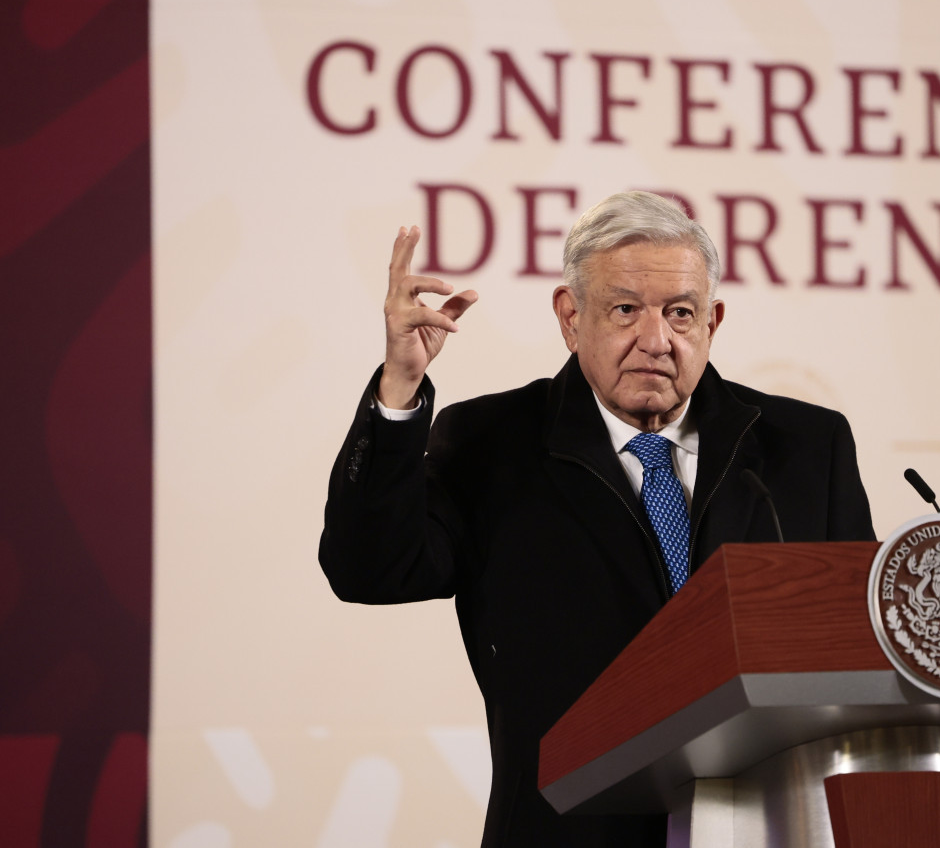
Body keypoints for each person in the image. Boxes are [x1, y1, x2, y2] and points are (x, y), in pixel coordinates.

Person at [320, 191, 875, 847]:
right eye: (624, 310)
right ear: (570, 316)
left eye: (680, 313)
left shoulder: (805, 448)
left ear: (712, 321)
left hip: (773, 826)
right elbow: (370, 568)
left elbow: (858, 652)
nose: (655, 339)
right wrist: (399, 390)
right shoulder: (493, 443)